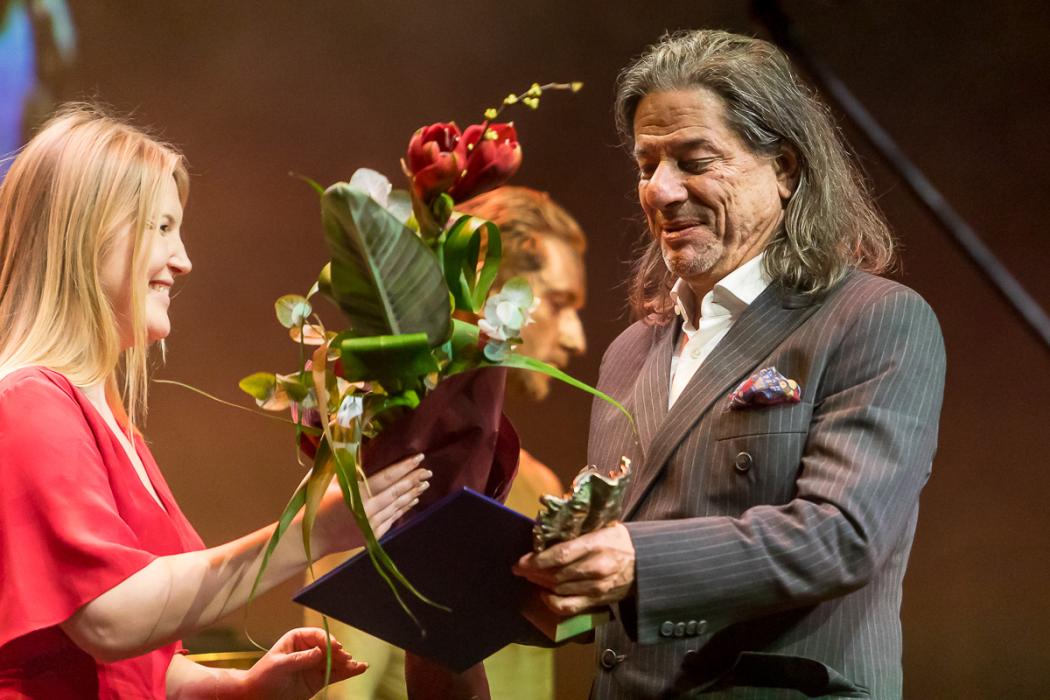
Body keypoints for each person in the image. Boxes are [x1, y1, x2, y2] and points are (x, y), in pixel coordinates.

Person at [514, 29, 946, 699]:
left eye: (694, 160)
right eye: (646, 165)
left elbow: (842, 535)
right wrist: (553, 582)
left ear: (785, 169)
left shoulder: (875, 320)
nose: (660, 191)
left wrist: (636, 561)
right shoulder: (630, 353)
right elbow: (619, 569)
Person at [0, 104, 431, 699]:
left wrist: (239, 687)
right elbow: (107, 618)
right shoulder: (28, 403)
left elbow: (135, 667)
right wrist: (313, 530)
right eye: (161, 228)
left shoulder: (106, 421)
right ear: (85, 234)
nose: (183, 261)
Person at [306, 186, 588, 700]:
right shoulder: (386, 476)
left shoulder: (539, 482)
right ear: (489, 288)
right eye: (558, 302)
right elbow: (341, 688)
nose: (576, 338)